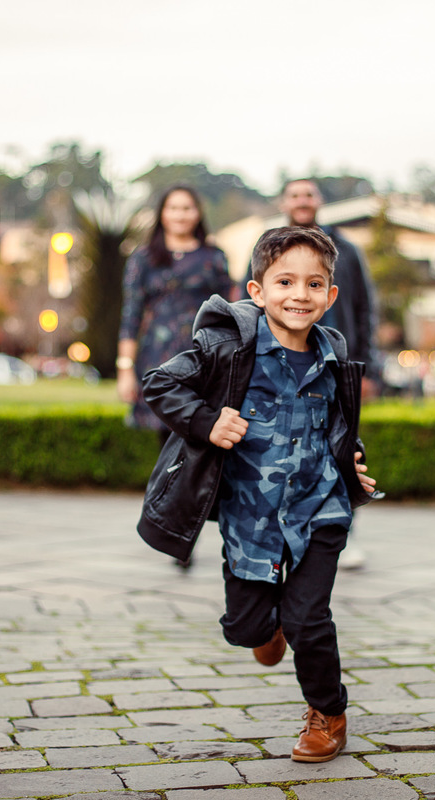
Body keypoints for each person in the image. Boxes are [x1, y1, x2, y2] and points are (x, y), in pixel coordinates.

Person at [137, 226, 380, 763]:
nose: (299, 295)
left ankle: (328, 714)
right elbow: (158, 382)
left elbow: (338, 427)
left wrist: (353, 465)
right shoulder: (228, 348)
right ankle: (267, 627)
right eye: (285, 282)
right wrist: (207, 421)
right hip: (251, 518)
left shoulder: (333, 353)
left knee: (308, 619)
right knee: (246, 629)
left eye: (314, 284)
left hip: (320, 511)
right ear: (257, 290)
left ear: (330, 296)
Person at [245, 178, 380, 569]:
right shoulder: (266, 248)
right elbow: (245, 304)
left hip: (335, 364)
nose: (302, 200)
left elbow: (365, 309)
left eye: (309, 194)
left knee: (342, 445)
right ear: (284, 202)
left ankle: (343, 532)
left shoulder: (347, 252)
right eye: (295, 195)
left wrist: (366, 367)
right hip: (277, 364)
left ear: (318, 201)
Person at [118, 185, 233, 446]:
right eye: (173, 208)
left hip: (203, 356)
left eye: (187, 208)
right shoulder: (143, 258)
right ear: (162, 213)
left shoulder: (214, 257)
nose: (180, 215)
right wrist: (125, 369)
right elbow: (130, 316)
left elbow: (229, 311)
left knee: (203, 430)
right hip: (157, 358)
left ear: (198, 213)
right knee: (166, 435)